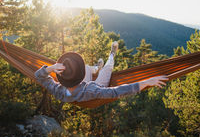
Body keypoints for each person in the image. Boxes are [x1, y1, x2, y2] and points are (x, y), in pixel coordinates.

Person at [34, 41, 168, 103]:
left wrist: (51, 68)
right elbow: (116, 91)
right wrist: (145, 82)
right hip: (96, 84)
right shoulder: (92, 91)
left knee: (86, 67)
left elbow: (38, 76)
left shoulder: (59, 91)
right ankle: (111, 55)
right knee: (107, 69)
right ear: (79, 78)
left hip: (79, 86)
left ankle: (95, 68)